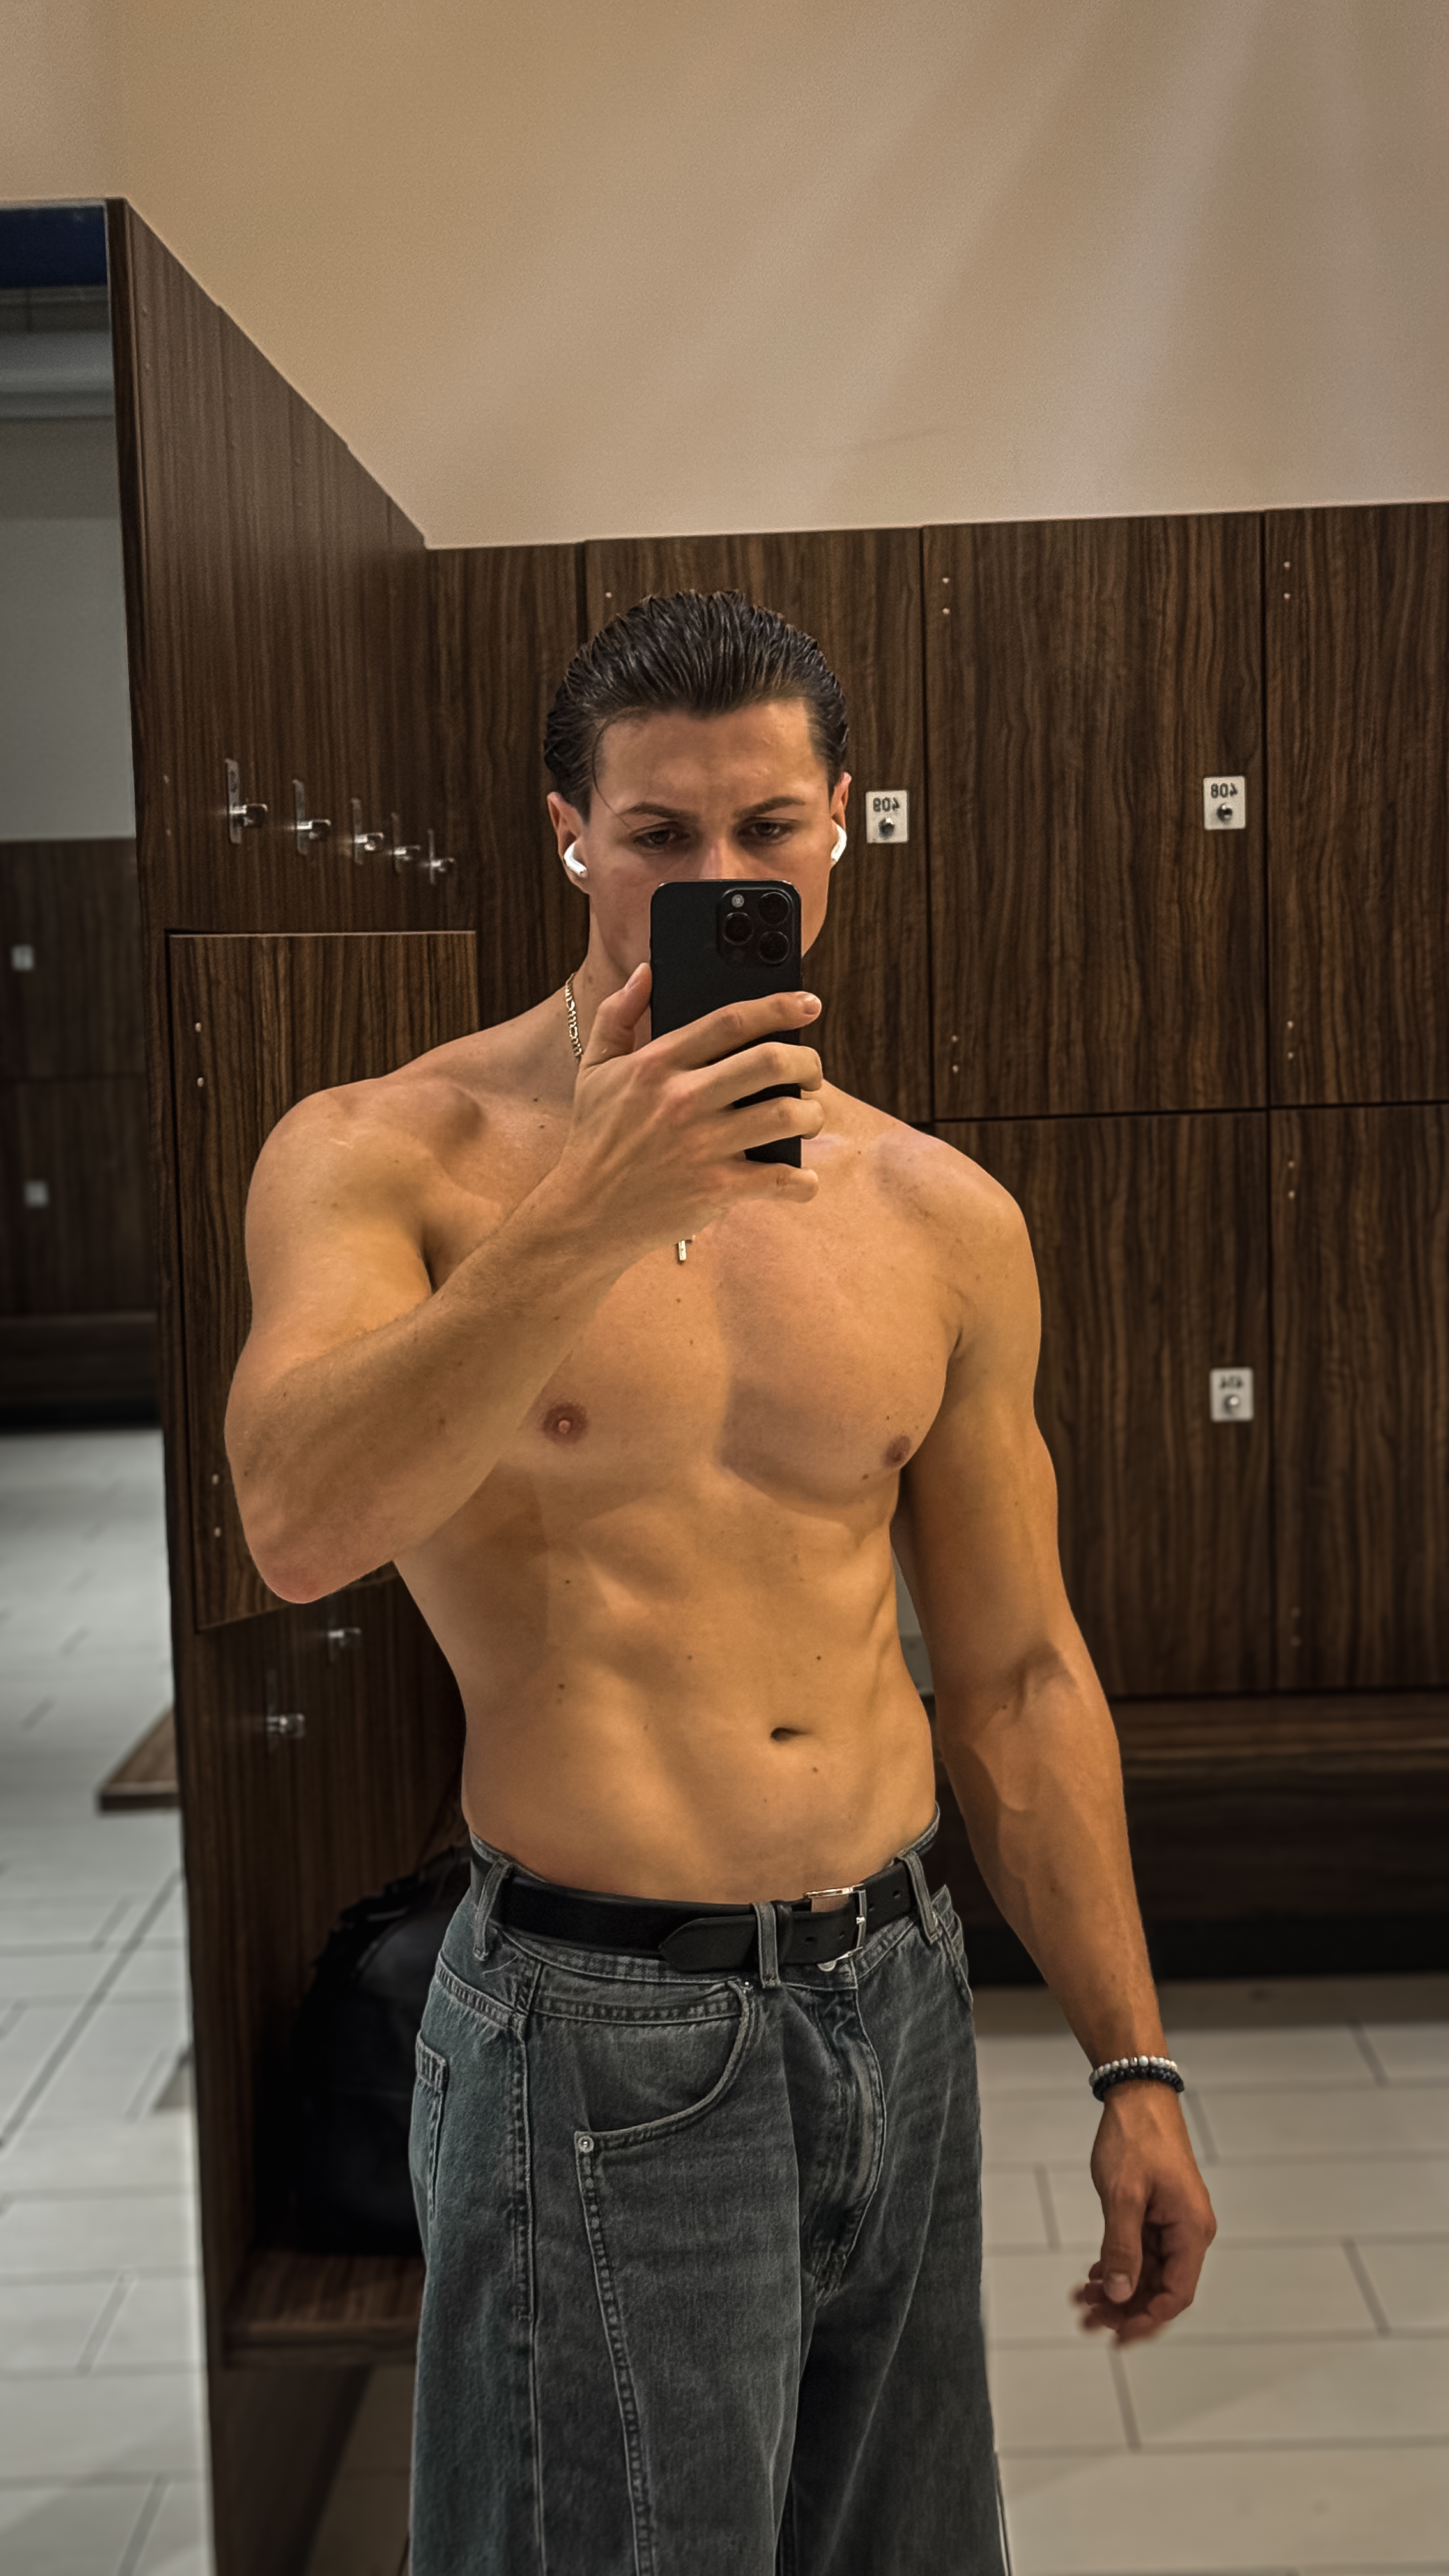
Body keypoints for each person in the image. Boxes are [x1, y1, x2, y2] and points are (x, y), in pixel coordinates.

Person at [226, 590, 1215, 2575]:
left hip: (894, 1997)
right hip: (594, 2019)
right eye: (658, 833)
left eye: (763, 829)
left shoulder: (938, 1214)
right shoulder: (384, 1157)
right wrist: (589, 1213)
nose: (712, 876)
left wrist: (1132, 2062)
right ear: (567, 837)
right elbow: (300, 1524)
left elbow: (1016, 1673)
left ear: (839, 823)